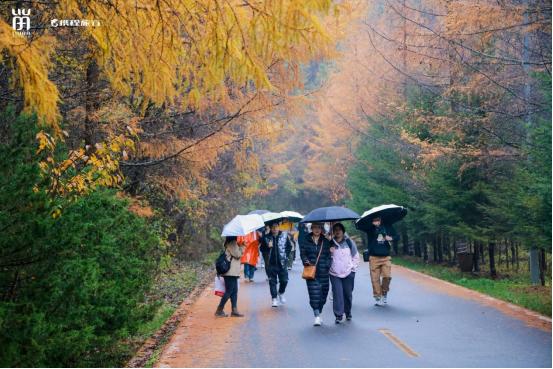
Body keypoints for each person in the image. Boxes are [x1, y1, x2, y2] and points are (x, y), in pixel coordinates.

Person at [299, 222, 331, 326]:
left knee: (323, 295)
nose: (317, 230)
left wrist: (327, 264)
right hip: (311, 273)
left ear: (321, 229)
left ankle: (319, 311)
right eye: (315, 228)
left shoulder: (326, 241)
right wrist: (306, 261)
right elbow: (302, 253)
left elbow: (328, 256)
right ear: (311, 229)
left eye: (319, 228)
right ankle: (316, 315)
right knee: (314, 295)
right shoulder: (306, 241)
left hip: (324, 272)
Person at [329, 223, 359, 323]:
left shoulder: (349, 242)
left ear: (343, 231)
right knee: (337, 294)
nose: (337, 231)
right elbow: (325, 258)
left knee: (347, 294)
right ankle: (338, 315)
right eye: (335, 230)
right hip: (334, 273)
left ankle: (348, 312)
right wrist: (330, 252)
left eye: (339, 229)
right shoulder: (329, 243)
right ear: (333, 232)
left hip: (348, 273)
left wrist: (353, 269)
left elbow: (356, 256)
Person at [365, 216, 399, 306]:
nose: (376, 221)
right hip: (373, 257)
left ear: (381, 219)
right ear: (372, 221)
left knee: (387, 276)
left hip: (386, 257)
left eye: (378, 219)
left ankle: (384, 293)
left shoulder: (388, 227)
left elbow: (397, 236)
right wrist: (375, 226)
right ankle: (378, 296)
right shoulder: (370, 228)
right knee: (375, 279)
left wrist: (390, 238)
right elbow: (369, 231)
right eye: (374, 220)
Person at [260, 222, 293, 307]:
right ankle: (274, 299)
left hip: (282, 263)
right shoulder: (266, 237)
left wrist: (285, 256)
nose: (275, 229)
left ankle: (281, 293)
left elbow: (289, 247)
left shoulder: (284, 236)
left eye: (276, 227)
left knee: (284, 281)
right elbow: (262, 249)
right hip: (271, 264)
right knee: (272, 282)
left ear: (279, 227)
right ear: (270, 228)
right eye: (273, 227)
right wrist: (268, 247)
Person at [215, 236, 245, 317]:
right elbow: (238, 254)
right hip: (230, 272)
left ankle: (234, 310)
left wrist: (239, 245)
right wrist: (242, 246)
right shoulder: (232, 243)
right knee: (229, 291)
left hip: (233, 272)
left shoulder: (232, 243)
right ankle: (219, 310)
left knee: (234, 291)